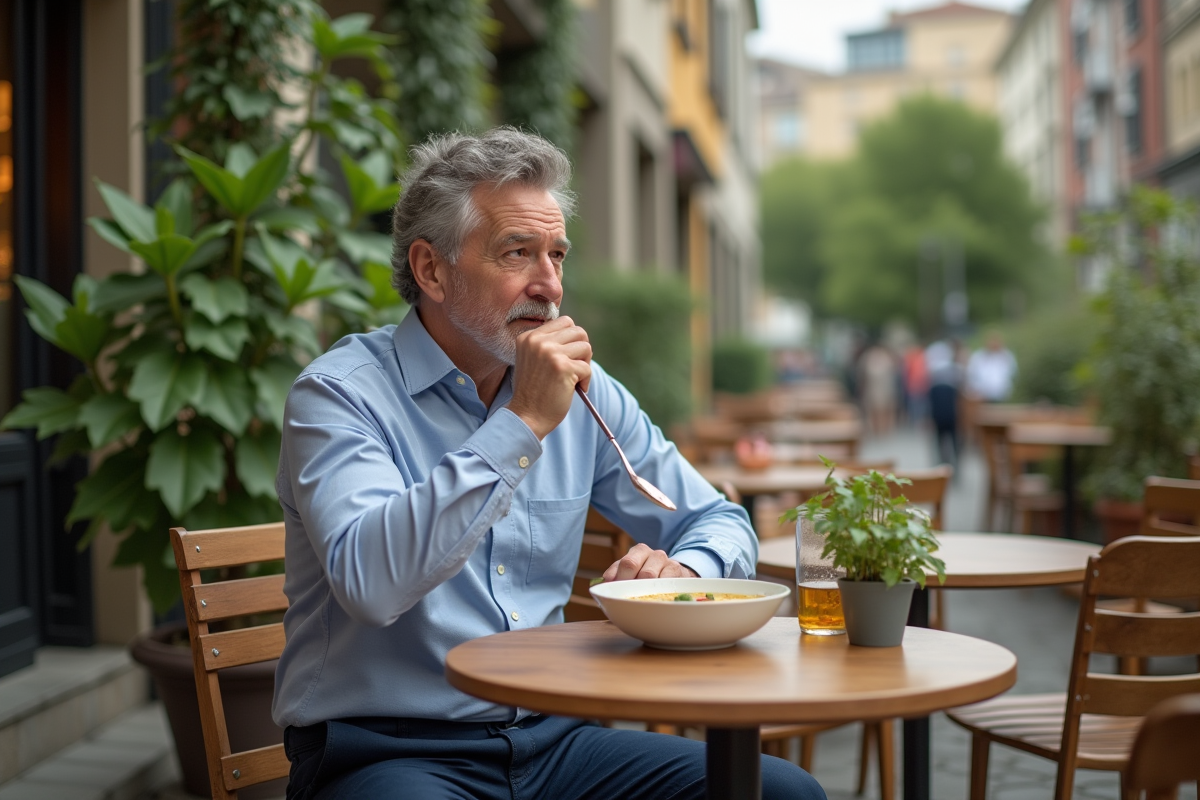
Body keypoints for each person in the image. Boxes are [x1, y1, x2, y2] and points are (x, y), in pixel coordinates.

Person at [271, 128, 826, 800]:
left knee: (781, 792)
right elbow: (369, 584)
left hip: (557, 740)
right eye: (518, 254)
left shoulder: (588, 393)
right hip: (389, 752)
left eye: (557, 255)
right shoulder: (339, 394)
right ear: (431, 271)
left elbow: (716, 516)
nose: (550, 285)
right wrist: (522, 424)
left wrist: (687, 571)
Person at [925, 338, 963, 469]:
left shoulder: (934, 376)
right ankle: (954, 465)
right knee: (953, 441)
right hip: (952, 415)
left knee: (940, 440)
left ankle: (942, 464)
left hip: (939, 415)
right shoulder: (956, 372)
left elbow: (928, 401)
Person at [966, 331, 1018, 403]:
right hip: (981, 396)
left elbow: (1013, 374)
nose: (993, 343)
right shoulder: (978, 356)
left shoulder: (1007, 356)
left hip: (1003, 396)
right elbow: (972, 375)